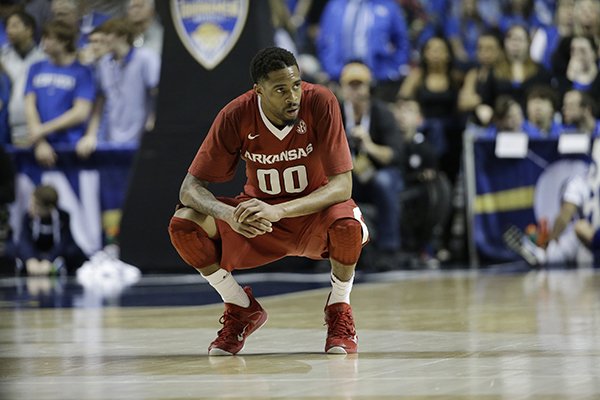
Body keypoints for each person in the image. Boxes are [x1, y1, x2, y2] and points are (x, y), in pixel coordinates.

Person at [168, 47, 368, 356]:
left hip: (312, 215)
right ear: (258, 91)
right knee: (184, 224)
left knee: (347, 224)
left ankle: (340, 307)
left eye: (296, 85)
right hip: (258, 221)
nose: (293, 96)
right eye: (280, 89)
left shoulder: (320, 101)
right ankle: (239, 306)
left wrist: (279, 210)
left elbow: (342, 186)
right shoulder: (236, 114)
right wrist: (229, 214)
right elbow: (189, 189)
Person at [337, 61, 404, 265]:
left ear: (369, 87)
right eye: (351, 85)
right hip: (348, 173)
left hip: (380, 171)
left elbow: (394, 155)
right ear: (342, 88)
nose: (355, 91)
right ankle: (332, 250)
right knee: (326, 186)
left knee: (383, 182)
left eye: (360, 85)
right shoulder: (336, 113)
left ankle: (389, 249)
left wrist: (368, 144)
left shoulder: (381, 113)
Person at [24, 20, 96, 167]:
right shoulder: (35, 68)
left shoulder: (82, 72)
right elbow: (29, 106)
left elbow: (81, 112)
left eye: (49, 38)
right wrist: (40, 142)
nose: (44, 42)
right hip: (40, 146)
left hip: (71, 145)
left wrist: (42, 130)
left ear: (63, 42)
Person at [16, 184, 87, 275]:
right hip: (36, 253)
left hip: (53, 254)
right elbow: (24, 241)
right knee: (13, 249)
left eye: (35, 205)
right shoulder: (28, 217)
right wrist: (31, 259)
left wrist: (49, 260)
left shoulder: (63, 217)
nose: (31, 208)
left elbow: (63, 242)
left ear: (49, 208)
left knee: (73, 251)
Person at [0, 10, 46, 147]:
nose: (9, 30)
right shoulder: (2, 58)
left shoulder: (44, 59)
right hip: (8, 127)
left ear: (29, 29)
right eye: (7, 26)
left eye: (15, 25)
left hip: (36, 127)